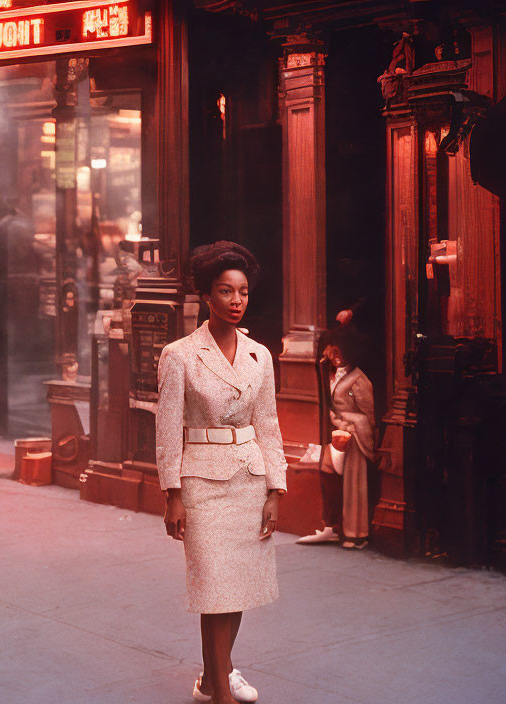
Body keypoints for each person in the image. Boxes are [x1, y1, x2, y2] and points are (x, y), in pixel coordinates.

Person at [157, 241, 287, 704]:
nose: (236, 301)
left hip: (250, 481)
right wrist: (171, 493)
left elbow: (268, 424)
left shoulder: (260, 355)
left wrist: (276, 487)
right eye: (225, 291)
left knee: (237, 588)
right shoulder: (180, 354)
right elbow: (168, 428)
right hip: (202, 484)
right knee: (213, 587)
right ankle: (221, 695)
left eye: (243, 292)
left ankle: (216, 676)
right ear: (206, 296)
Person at [297, 326, 376, 549]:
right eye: (333, 352)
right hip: (336, 437)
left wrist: (342, 420)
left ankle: (356, 534)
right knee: (331, 478)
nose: (335, 357)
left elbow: (367, 417)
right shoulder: (332, 373)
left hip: (354, 439)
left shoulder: (359, 379)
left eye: (340, 352)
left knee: (354, 486)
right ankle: (333, 527)